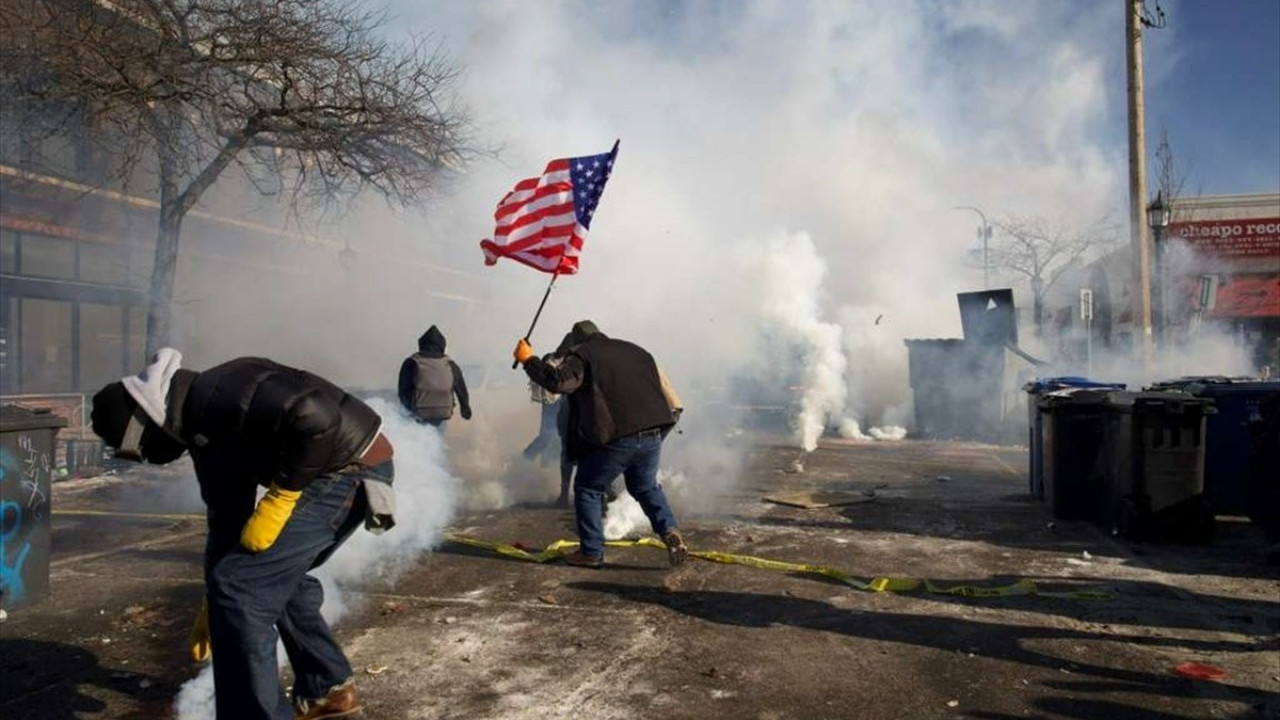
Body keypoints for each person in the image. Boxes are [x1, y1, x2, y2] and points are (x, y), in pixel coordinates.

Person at [90, 348, 396, 720]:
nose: (148, 459)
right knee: (261, 580)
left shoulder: (222, 388)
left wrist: (283, 493)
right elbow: (226, 520)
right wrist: (213, 594)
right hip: (341, 472)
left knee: (244, 588)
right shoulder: (204, 434)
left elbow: (318, 416)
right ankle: (327, 693)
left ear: (144, 422)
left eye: (137, 451)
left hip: (348, 470)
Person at [514, 320, 687, 568]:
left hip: (620, 436)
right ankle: (669, 529)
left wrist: (528, 359)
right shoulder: (635, 350)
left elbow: (559, 382)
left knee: (588, 488)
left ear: (577, 341)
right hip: (653, 432)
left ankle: (592, 552)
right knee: (646, 487)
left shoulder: (583, 355)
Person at [398, 324, 472, 429]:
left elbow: (403, 390)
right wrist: (465, 409)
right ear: (442, 346)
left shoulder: (411, 362)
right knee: (437, 438)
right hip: (443, 413)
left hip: (418, 414)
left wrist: (408, 409)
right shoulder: (450, 364)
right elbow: (461, 390)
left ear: (421, 344)